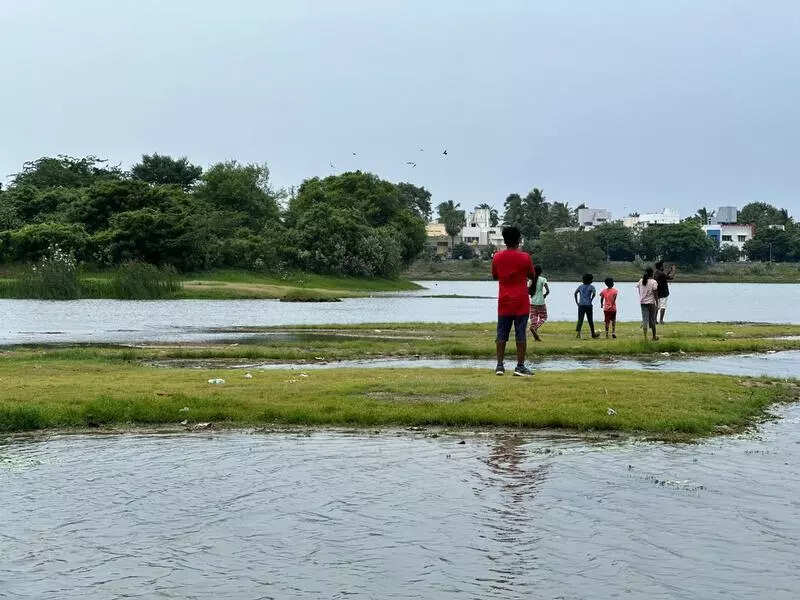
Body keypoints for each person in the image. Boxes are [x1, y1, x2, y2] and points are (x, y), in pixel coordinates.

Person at [491, 226, 534, 376]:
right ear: (518, 240)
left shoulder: (497, 257)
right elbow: (531, 275)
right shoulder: (525, 257)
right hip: (521, 301)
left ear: (505, 240)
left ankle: (499, 366)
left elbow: (495, 276)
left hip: (504, 301)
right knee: (520, 334)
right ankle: (520, 366)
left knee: (501, 333)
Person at [636, 267, 659, 341]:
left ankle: (645, 338)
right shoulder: (653, 282)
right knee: (652, 320)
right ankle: (654, 336)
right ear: (652, 273)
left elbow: (639, 291)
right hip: (651, 303)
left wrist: (642, 298)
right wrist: (657, 302)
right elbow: (655, 294)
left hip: (643, 303)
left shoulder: (640, 281)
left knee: (645, 320)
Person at [574, 273, 600, 339]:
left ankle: (578, 334)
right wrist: (591, 299)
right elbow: (594, 293)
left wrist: (577, 302)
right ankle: (593, 333)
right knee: (590, 320)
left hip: (581, 305)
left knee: (580, 319)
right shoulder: (591, 287)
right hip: (588, 305)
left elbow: (575, 293)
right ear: (590, 280)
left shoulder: (580, 286)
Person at [528, 265, 549, 342]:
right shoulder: (543, 279)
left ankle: (536, 337)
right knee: (544, 317)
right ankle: (535, 328)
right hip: (541, 302)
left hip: (533, 302)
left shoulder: (530, 280)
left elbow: (528, 292)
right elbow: (548, 291)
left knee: (534, 317)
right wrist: (545, 295)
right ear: (541, 272)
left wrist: (532, 294)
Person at [654, 261, 676, 325]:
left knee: (656, 307)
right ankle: (661, 320)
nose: (663, 267)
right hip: (663, 293)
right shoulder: (662, 274)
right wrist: (674, 271)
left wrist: (669, 271)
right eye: (662, 266)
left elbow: (665, 276)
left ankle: (655, 320)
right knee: (663, 306)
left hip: (657, 293)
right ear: (661, 267)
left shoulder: (656, 273)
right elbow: (671, 277)